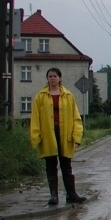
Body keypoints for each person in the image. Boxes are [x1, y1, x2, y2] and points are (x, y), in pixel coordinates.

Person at [29, 67, 87, 205]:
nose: (52, 78)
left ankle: (71, 194)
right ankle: (54, 196)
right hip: (48, 134)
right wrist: (35, 136)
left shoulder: (68, 95)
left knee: (66, 165)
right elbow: (35, 118)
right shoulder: (41, 96)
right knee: (51, 165)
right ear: (47, 79)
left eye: (55, 76)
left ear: (60, 78)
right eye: (50, 76)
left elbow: (76, 117)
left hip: (64, 133)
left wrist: (76, 135)